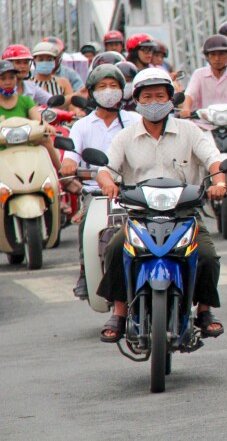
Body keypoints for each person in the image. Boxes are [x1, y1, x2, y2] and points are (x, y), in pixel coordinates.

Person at [95, 68, 227, 343]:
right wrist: (107, 182)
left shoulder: (190, 131)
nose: (154, 102)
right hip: (140, 216)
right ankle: (119, 312)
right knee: (116, 248)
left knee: (206, 255)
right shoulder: (125, 137)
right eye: (147, 96)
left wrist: (219, 182)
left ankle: (204, 311)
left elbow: (213, 160)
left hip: (184, 214)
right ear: (138, 101)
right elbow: (106, 168)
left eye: (160, 96)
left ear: (170, 99)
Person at [61, 64, 140, 298]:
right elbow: (71, 155)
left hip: (131, 190)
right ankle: (86, 271)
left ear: (122, 90)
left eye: (114, 86)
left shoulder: (134, 120)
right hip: (95, 192)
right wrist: (69, 163)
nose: (108, 90)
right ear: (92, 92)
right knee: (86, 223)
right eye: (102, 86)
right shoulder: (82, 125)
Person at [179, 34, 227, 127]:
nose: (217, 59)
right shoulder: (199, 74)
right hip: (205, 126)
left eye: (221, 54)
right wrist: (186, 108)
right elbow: (190, 94)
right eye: (213, 54)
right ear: (207, 57)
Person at [0, 59, 62, 172]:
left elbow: (38, 120)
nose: (8, 82)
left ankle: (63, 176)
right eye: (3, 78)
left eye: (11, 78)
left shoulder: (25, 101)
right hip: (2, 146)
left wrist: (46, 126)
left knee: (45, 139)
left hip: (25, 143)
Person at [31, 41, 74, 107]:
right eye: (41, 60)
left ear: (55, 62)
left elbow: (72, 106)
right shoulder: (29, 83)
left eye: (49, 60)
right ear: (34, 61)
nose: (45, 63)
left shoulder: (63, 83)